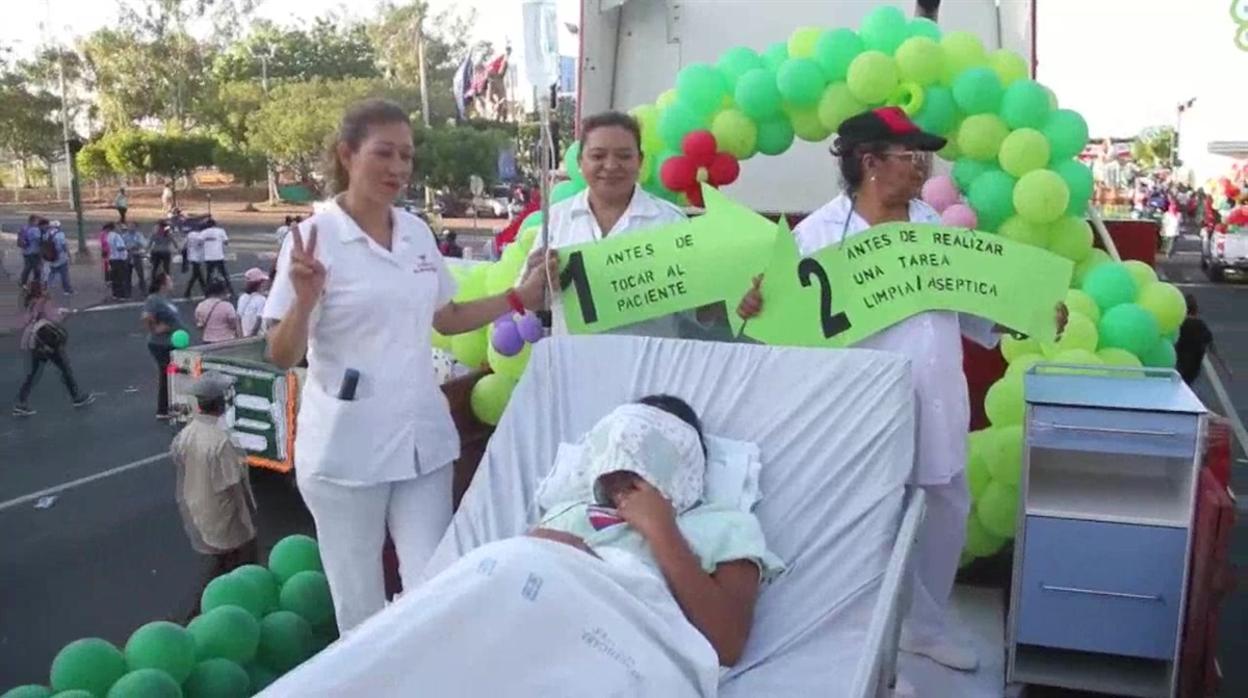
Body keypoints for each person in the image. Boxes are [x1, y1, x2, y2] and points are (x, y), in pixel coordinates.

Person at [736, 107, 1066, 675]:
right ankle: (867, 646)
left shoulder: (937, 231)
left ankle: (924, 627)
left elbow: (976, 311)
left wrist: (1028, 315)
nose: (922, 168)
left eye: (922, 158)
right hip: (857, 409)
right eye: (911, 157)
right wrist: (755, 308)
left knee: (944, 506)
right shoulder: (816, 237)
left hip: (935, 393)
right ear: (870, 162)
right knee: (866, 517)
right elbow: (782, 327)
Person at [263, 98, 558, 632]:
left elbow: (447, 316)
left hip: (423, 441)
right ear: (347, 154)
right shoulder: (315, 240)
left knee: (433, 588)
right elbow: (280, 354)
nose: (398, 167)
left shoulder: (416, 232)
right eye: (384, 153)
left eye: (406, 155)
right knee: (360, 605)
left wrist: (520, 297)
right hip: (347, 451)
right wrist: (304, 302)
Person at [530, 110, 691, 337]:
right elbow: (528, 304)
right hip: (571, 357)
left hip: (646, 358)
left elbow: (696, 307)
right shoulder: (555, 221)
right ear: (580, 162)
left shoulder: (671, 221)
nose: (611, 165)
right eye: (598, 156)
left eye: (624, 156)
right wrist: (534, 280)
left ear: (640, 161)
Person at [170, 371, 257, 618]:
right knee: (234, 567)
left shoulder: (187, 434)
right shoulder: (222, 441)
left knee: (218, 563)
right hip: (224, 517)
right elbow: (236, 486)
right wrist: (249, 521)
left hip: (197, 507)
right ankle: (198, 613)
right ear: (220, 404)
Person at [13, 281, 95, 416]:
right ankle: (76, 397)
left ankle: (21, 402)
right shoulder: (44, 301)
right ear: (40, 290)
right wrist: (65, 314)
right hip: (48, 340)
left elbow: (26, 320)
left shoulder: (31, 303)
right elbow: (54, 319)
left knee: (34, 374)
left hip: (34, 342)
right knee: (64, 368)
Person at [142, 272, 186, 419]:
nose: (172, 283)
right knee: (167, 374)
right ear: (163, 284)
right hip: (161, 343)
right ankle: (163, 409)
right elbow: (146, 316)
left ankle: (169, 406)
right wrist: (155, 329)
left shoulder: (164, 299)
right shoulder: (154, 299)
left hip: (170, 342)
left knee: (171, 373)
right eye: (169, 280)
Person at [1175, 293, 1232, 386]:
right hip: (1193, 368)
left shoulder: (1179, 324)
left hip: (1179, 365)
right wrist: (1226, 368)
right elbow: (1213, 349)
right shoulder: (1201, 326)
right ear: (1196, 309)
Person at [195, 278, 240, 344]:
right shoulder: (227, 306)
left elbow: (199, 323)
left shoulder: (201, 306)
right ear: (222, 292)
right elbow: (233, 323)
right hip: (226, 339)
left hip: (208, 340)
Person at [199, 218, 234, 297]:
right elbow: (226, 242)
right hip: (218, 256)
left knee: (209, 276)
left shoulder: (204, 232)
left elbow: (199, 242)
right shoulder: (220, 231)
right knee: (224, 274)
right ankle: (231, 290)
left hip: (208, 257)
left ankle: (207, 293)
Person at [235, 268, 269, 338]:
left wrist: (241, 336)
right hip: (258, 336)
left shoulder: (242, 298)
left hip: (244, 335)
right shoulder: (261, 299)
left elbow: (238, 318)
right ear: (259, 284)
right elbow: (259, 320)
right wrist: (251, 336)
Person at [42, 220, 73, 295]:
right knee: (64, 274)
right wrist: (69, 255)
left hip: (51, 257)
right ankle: (67, 290)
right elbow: (64, 246)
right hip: (61, 257)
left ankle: (46, 287)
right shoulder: (60, 234)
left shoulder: (46, 235)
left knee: (51, 273)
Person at [106, 223, 132, 299]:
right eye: (120, 228)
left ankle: (115, 294)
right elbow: (120, 247)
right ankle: (122, 295)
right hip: (119, 259)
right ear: (115, 228)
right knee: (121, 277)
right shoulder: (117, 236)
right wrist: (127, 247)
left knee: (115, 277)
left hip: (112, 258)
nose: (121, 229)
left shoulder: (109, 236)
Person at [17, 215, 44, 286]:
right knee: (37, 268)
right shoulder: (35, 229)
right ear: (33, 221)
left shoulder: (24, 228)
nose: (38, 223)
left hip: (25, 251)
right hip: (34, 252)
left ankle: (23, 281)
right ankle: (36, 282)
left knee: (27, 267)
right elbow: (40, 240)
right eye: (37, 221)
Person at [183, 224, 208, 298]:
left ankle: (189, 291)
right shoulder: (203, 236)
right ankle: (188, 291)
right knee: (196, 275)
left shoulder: (190, 234)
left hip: (191, 256)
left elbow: (185, 244)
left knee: (197, 274)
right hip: (198, 257)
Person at [123, 223, 148, 294]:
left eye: (133, 226)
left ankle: (143, 290)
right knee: (127, 275)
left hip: (137, 256)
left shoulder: (139, 235)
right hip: (128, 256)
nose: (131, 228)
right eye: (130, 226)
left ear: (136, 228)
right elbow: (122, 245)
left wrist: (137, 244)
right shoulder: (125, 235)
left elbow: (144, 244)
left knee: (141, 274)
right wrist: (128, 247)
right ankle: (127, 291)